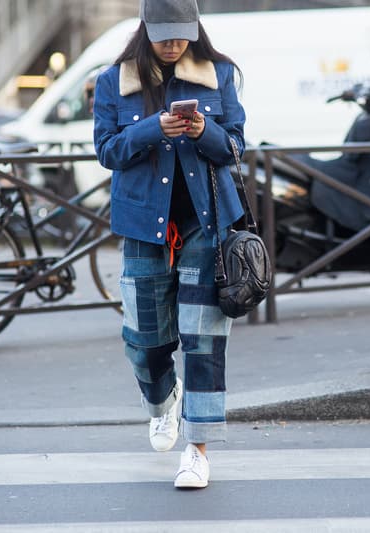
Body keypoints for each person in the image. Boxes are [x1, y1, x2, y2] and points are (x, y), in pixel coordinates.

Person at [92, 0, 245, 489]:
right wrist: (151, 128)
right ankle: (162, 401)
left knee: (203, 340)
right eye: (164, 35)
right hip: (143, 227)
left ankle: (197, 450)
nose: (174, 43)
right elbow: (106, 151)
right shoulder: (113, 82)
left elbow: (236, 147)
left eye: (182, 33)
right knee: (144, 341)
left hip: (207, 224)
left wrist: (205, 131)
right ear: (146, 29)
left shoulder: (218, 75)